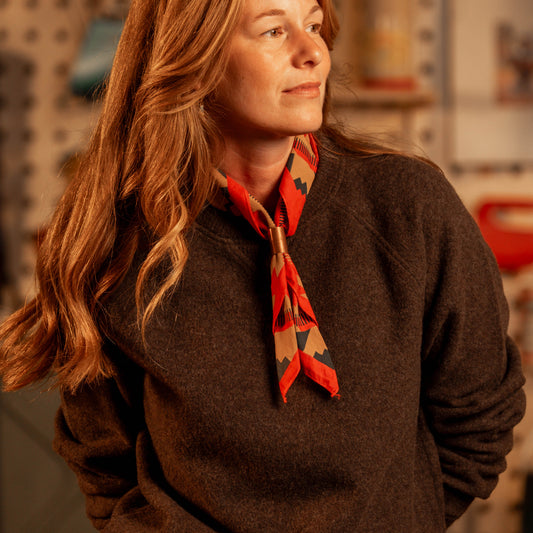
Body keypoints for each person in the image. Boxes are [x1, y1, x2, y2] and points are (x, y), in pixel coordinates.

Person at [0, 0, 526, 531]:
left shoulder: (410, 207)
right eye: (274, 30)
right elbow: (103, 463)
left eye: (313, 25)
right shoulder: (116, 244)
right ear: (194, 57)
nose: (313, 51)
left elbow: (481, 418)